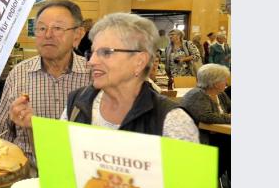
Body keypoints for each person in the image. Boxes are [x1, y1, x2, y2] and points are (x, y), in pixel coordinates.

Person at [49, 13, 198, 141]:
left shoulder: (172, 121)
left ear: (139, 61)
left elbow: (187, 174)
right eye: (92, 52)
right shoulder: (77, 103)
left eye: (106, 52)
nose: (91, 62)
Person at [0, 0, 91, 173]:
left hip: (79, 177)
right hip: (24, 177)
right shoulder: (20, 73)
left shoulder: (93, 76)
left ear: (78, 35)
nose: (48, 35)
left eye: (57, 28)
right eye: (42, 28)